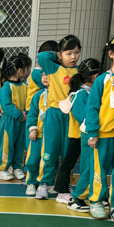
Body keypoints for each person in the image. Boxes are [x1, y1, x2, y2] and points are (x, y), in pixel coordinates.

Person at [35, 35, 82, 199]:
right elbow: (42, 56)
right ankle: (44, 184)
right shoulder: (53, 68)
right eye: (68, 53)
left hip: (72, 116)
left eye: (76, 52)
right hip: (54, 115)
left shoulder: (80, 72)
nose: (73, 57)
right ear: (60, 54)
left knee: (68, 153)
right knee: (50, 150)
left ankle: (63, 186)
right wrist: (57, 56)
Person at [82, 35, 114, 220]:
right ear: (111, 54)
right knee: (99, 169)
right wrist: (92, 132)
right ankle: (96, 200)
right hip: (103, 134)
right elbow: (92, 107)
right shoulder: (102, 80)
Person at [54, 58, 101, 205]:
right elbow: (82, 116)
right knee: (69, 162)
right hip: (78, 134)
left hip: (84, 134)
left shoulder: (87, 91)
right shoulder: (81, 94)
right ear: (95, 76)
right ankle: (62, 191)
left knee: (74, 162)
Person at [0, 54, 31, 181]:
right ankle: (3, 169)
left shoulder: (25, 86)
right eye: (28, 68)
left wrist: (26, 113)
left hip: (23, 120)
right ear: (20, 70)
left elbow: (30, 102)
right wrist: (19, 115)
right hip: (10, 121)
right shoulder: (6, 87)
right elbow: (6, 105)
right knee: (7, 145)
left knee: (20, 145)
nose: (29, 71)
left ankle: (17, 167)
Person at [24, 67, 48, 196]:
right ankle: (31, 182)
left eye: (48, 75)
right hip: (37, 134)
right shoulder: (38, 95)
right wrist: (33, 128)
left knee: (48, 160)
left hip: (51, 136)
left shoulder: (59, 95)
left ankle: (45, 183)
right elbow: (32, 113)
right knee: (33, 159)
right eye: (43, 74)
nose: (45, 77)